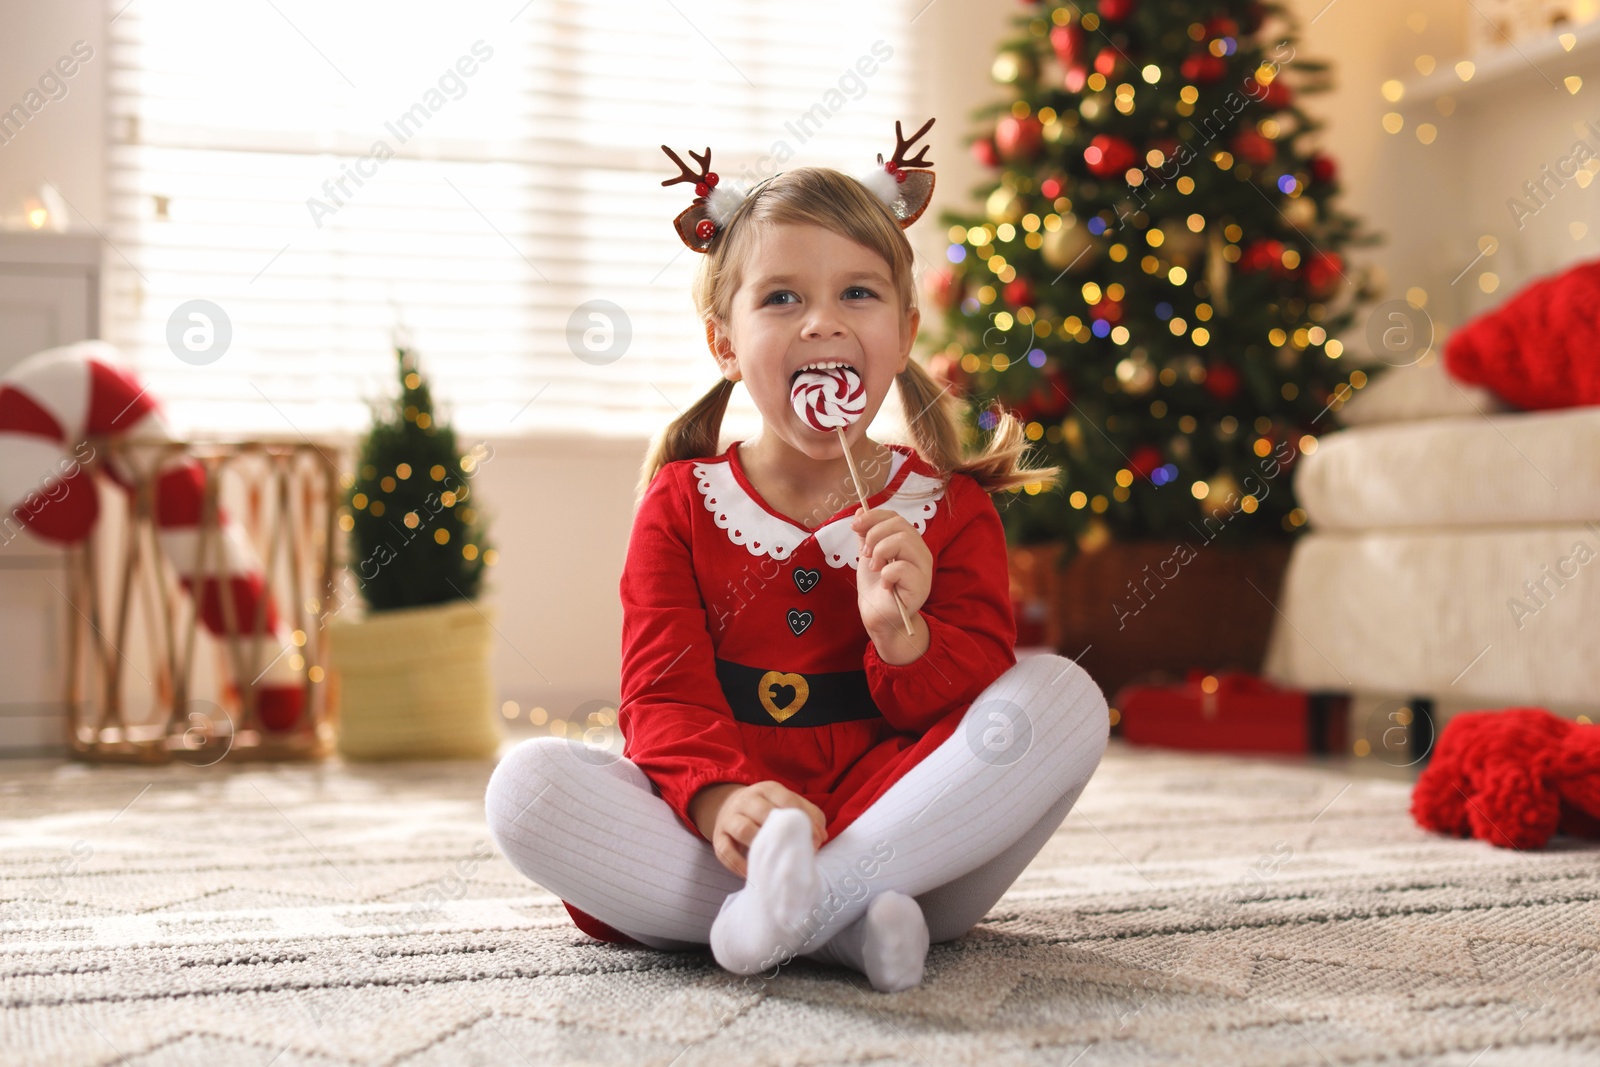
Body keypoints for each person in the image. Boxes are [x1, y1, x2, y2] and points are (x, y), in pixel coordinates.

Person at [485, 119, 1109, 993]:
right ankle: (840, 922)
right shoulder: (683, 503)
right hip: (726, 827)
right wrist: (718, 801)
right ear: (726, 344)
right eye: (781, 298)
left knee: (1064, 698)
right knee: (528, 788)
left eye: (858, 294)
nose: (822, 321)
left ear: (902, 331)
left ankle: (799, 904)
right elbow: (662, 692)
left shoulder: (949, 510)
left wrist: (908, 641)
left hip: (900, 819)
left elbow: (974, 712)